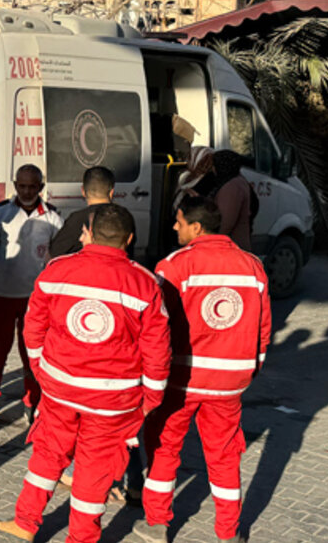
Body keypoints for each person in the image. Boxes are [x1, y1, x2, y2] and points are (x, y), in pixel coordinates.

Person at [0, 204, 169, 543]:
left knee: (47, 454)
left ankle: (26, 523)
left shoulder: (57, 270)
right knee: (93, 472)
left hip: (60, 389)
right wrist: (151, 399)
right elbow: (158, 350)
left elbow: (34, 326)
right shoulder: (145, 283)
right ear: (129, 239)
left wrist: (42, 369)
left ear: (88, 234)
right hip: (113, 401)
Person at [133, 196, 273, 543]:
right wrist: (249, 370)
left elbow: (156, 327)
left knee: (165, 448)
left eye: (178, 221)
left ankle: (157, 522)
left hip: (182, 379)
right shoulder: (252, 266)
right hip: (230, 382)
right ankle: (228, 532)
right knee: (225, 456)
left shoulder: (174, 266)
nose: (174, 227)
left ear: (196, 227)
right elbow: (264, 329)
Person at [0, 164, 63, 420]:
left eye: (32, 186)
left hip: (35, 299)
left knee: (32, 351)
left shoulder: (53, 218)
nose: (26, 191)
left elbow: (58, 262)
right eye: (22, 186)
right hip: (1, 293)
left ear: (41, 188)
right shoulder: (0, 213)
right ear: (15, 185)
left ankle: (32, 399)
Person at [49, 166, 129, 258]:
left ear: (83, 191)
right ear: (111, 192)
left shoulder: (76, 219)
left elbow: (54, 253)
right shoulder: (123, 218)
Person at [188, 150, 258, 251]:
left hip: (229, 248)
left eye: (214, 165)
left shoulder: (232, 187)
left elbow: (225, 223)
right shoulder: (235, 181)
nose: (213, 169)